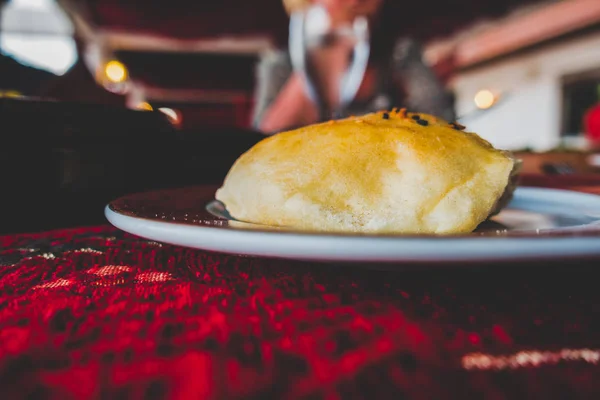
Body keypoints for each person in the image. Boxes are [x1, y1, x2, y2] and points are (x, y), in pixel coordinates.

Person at [252, 0, 455, 134]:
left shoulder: (400, 54)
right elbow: (263, 140)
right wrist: (324, 45)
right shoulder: (279, 65)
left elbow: (441, 120)